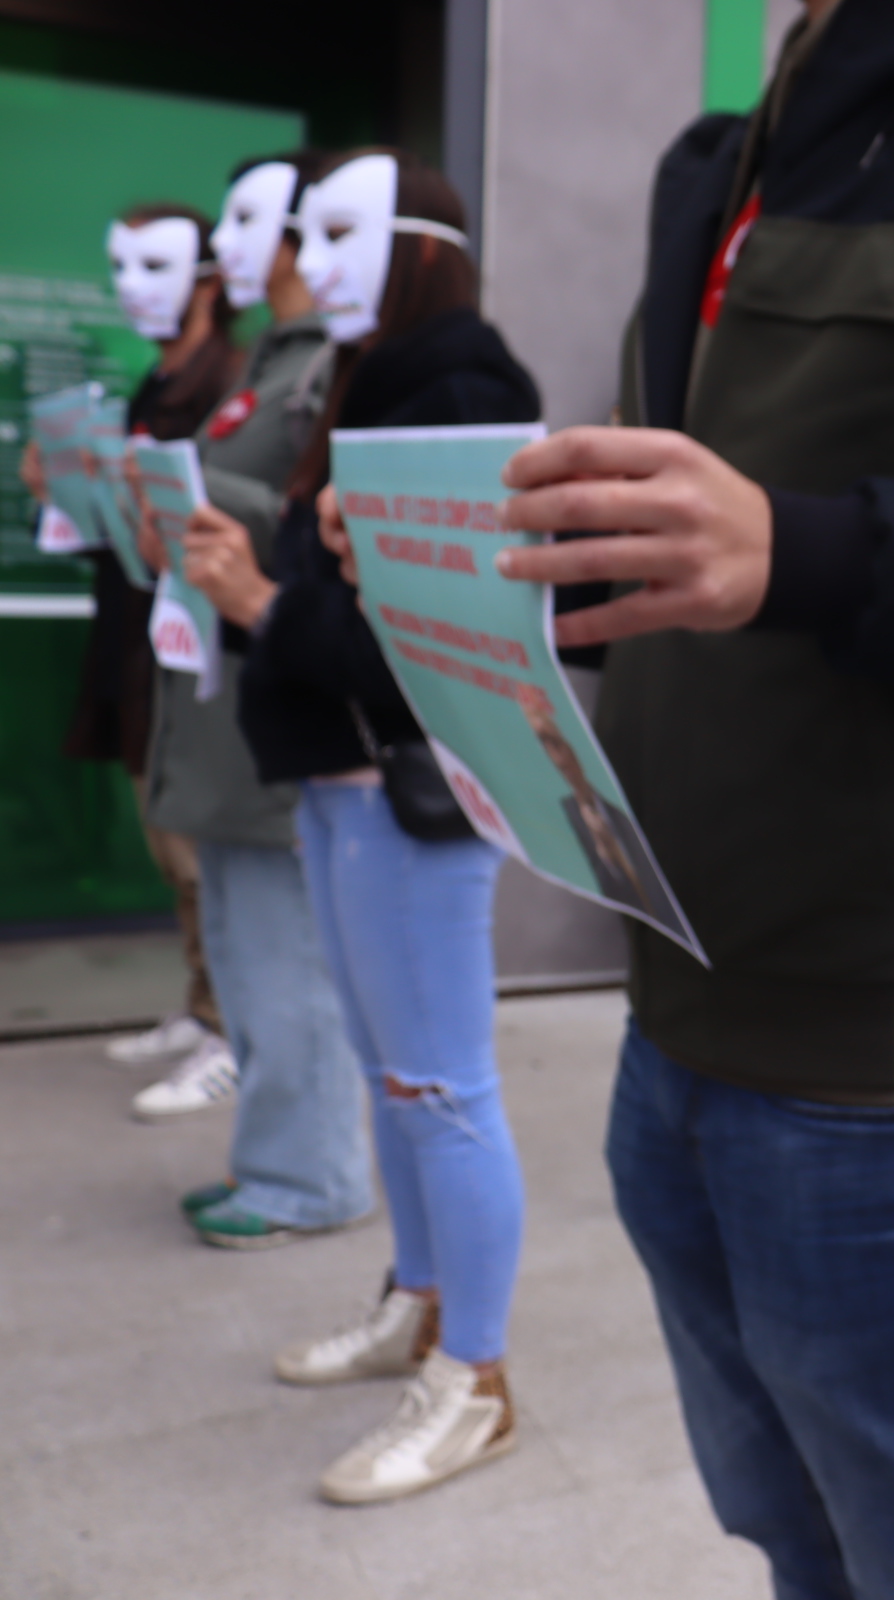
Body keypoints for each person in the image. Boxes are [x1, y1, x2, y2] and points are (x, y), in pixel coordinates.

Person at [475, 1, 894, 1591]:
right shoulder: (722, 156)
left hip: (886, 1063)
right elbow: (704, 517)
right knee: (795, 1538)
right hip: (676, 1007)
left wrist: (800, 551)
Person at [191, 147, 541, 1504]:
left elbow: (441, 638)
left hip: (405, 786)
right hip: (346, 783)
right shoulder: (374, 378)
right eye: (308, 231)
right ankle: (424, 1302)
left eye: (342, 232)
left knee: (441, 1085)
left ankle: (478, 1378)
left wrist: (263, 607)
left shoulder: (456, 387)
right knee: (400, 1076)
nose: (308, 258)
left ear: (417, 249)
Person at [139, 151, 377, 1249]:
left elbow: (325, 521)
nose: (227, 246)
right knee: (247, 956)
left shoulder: (327, 364)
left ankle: (309, 1178)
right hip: (223, 697)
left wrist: (192, 490)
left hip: (274, 696)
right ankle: (276, 1162)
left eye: (254, 222)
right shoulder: (271, 363)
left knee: (288, 965)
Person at [18, 203, 243, 1118]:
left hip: (195, 656)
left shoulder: (230, 385)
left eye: (155, 265)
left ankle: (232, 1028)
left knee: (202, 855)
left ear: (211, 280)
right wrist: (68, 490)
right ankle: (202, 1004)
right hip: (138, 639)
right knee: (166, 840)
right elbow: (125, 535)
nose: (130, 287)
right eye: (121, 265)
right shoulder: (155, 382)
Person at [516, 690, 669, 920]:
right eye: (544, 746)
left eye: (555, 743)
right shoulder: (557, 816)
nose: (557, 759)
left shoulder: (622, 806)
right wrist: (606, 854)